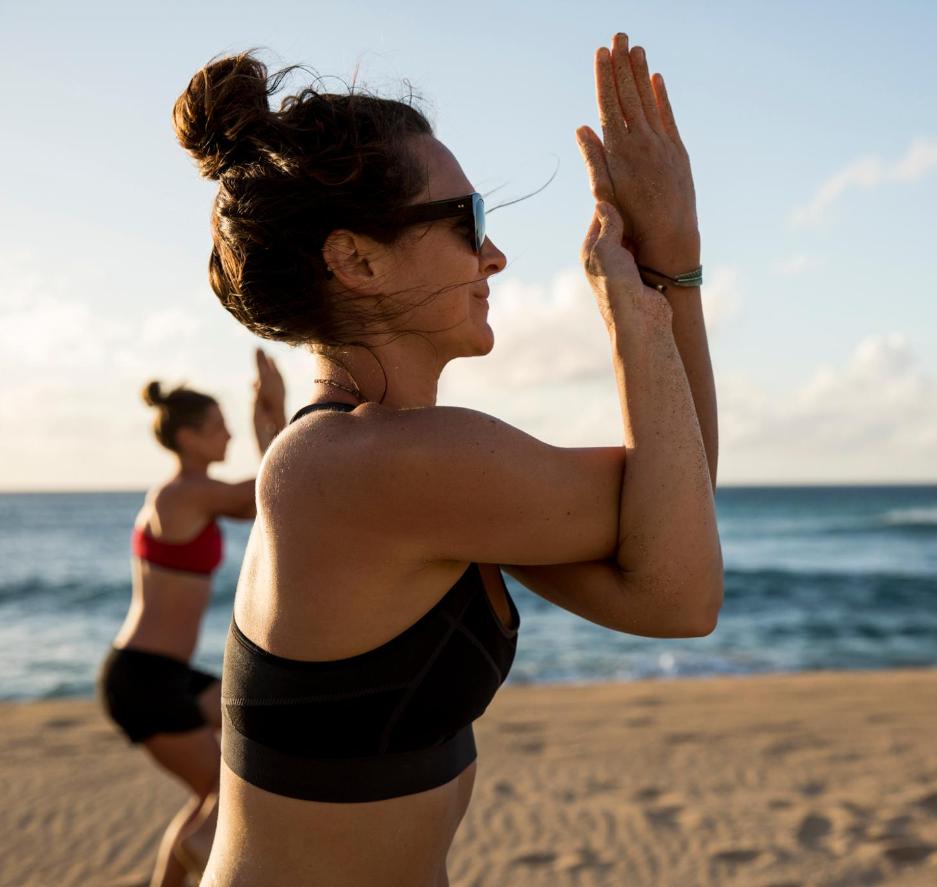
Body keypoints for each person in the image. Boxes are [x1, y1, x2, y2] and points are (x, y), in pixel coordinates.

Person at [173, 32, 721, 887]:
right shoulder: (362, 465)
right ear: (356, 259)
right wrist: (650, 287)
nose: (493, 254)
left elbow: (676, 530)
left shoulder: (392, 465)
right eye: (469, 222)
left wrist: (665, 277)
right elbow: (686, 589)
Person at [97, 350, 285, 887]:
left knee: (249, 757)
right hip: (142, 678)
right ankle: (201, 854)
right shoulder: (180, 495)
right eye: (219, 428)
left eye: (231, 426)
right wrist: (269, 417)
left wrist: (273, 415)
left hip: (169, 675)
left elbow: (277, 481)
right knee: (226, 792)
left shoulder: (193, 495)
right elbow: (275, 489)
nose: (227, 436)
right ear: (188, 437)